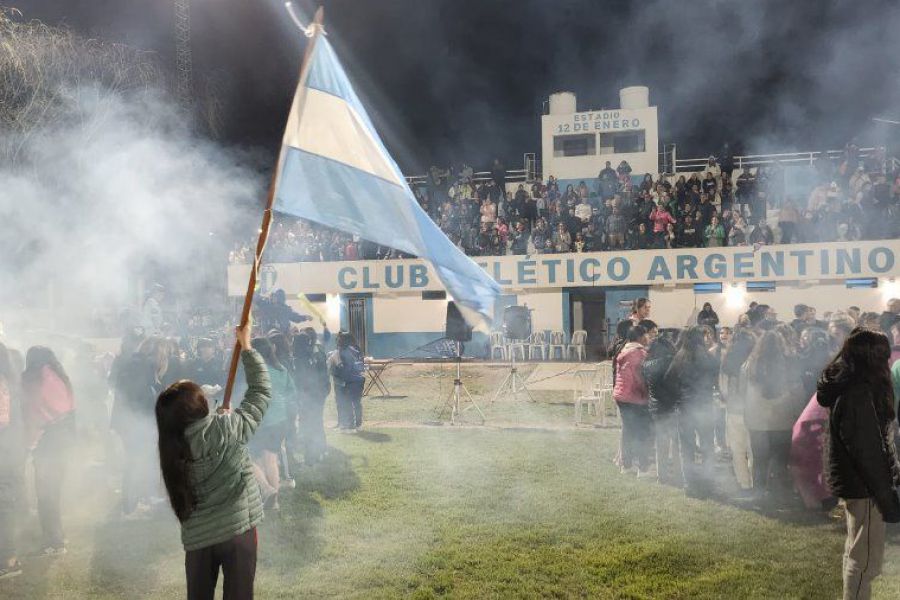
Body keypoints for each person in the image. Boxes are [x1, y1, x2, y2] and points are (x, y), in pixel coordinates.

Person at [156, 324, 272, 600]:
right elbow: (261, 392)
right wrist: (247, 347)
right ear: (198, 408)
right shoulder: (227, 428)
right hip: (238, 531)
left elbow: (205, 434)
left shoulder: (170, 447)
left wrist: (220, 420)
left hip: (199, 539)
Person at [817, 328, 900, 600]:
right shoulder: (858, 392)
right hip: (864, 486)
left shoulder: (853, 385)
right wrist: (886, 496)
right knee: (864, 560)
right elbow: (867, 450)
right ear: (872, 357)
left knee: (857, 552)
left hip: (860, 483)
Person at [21, 346, 76, 556]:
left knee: (45, 494)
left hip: (46, 441)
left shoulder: (36, 380)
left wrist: (30, 444)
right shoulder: (60, 377)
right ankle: (58, 534)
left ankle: (54, 542)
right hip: (62, 440)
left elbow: (35, 415)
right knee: (53, 492)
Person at [742, 331, 805, 505]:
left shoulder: (749, 365)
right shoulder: (789, 363)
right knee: (780, 461)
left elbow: (742, 391)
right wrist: (797, 413)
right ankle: (780, 496)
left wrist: (746, 412)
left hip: (757, 421)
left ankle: (759, 494)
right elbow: (797, 392)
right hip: (782, 420)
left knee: (760, 461)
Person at [665, 326, 719, 497]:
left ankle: (689, 484)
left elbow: (668, 380)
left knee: (686, 448)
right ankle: (708, 482)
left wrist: (679, 396)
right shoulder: (708, 357)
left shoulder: (679, 357)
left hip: (685, 407)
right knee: (707, 446)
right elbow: (715, 377)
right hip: (704, 406)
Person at [249, 337, 295, 511]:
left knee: (246, 458)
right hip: (280, 420)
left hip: (261, 421)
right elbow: (292, 392)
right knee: (270, 459)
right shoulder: (281, 369)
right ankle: (274, 503)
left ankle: (267, 490)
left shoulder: (254, 371)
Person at [612, 326, 652, 476]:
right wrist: (647, 394)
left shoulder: (623, 351)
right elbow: (640, 378)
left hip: (621, 395)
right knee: (641, 431)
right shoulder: (639, 353)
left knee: (628, 431)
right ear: (641, 337)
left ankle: (626, 466)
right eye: (647, 335)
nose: (648, 338)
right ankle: (643, 468)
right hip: (634, 397)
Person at [720, 328, 756, 493]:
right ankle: (756, 481)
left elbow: (723, 387)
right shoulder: (756, 360)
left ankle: (744, 483)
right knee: (753, 448)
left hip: (734, 408)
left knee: (738, 448)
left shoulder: (728, 360)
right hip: (755, 409)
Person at [643, 336, 680, 485]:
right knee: (677, 443)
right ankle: (679, 473)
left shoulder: (647, 365)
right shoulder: (675, 362)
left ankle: (662, 476)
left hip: (657, 408)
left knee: (661, 443)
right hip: (673, 406)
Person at [0, 342, 23, 578]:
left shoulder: (2, 385)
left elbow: (2, 420)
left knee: (3, 506)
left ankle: (8, 560)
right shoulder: (9, 381)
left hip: (4, 454)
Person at [292, 330, 331, 465]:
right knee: (317, 422)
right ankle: (321, 449)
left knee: (309, 425)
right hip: (318, 394)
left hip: (308, 396)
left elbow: (299, 380)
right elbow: (323, 373)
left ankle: (311, 457)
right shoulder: (317, 352)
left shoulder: (300, 358)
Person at [329, 332, 365, 431]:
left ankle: (351, 425)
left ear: (344, 340)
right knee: (356, 403)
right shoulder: (356, 349)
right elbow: (361, 365)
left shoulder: (345, 351)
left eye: (339, 339)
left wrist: (337, 371)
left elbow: (346, 368)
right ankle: (357, 424)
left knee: (348, 403)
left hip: (349, 380)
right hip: (358, 379)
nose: (337, 341)